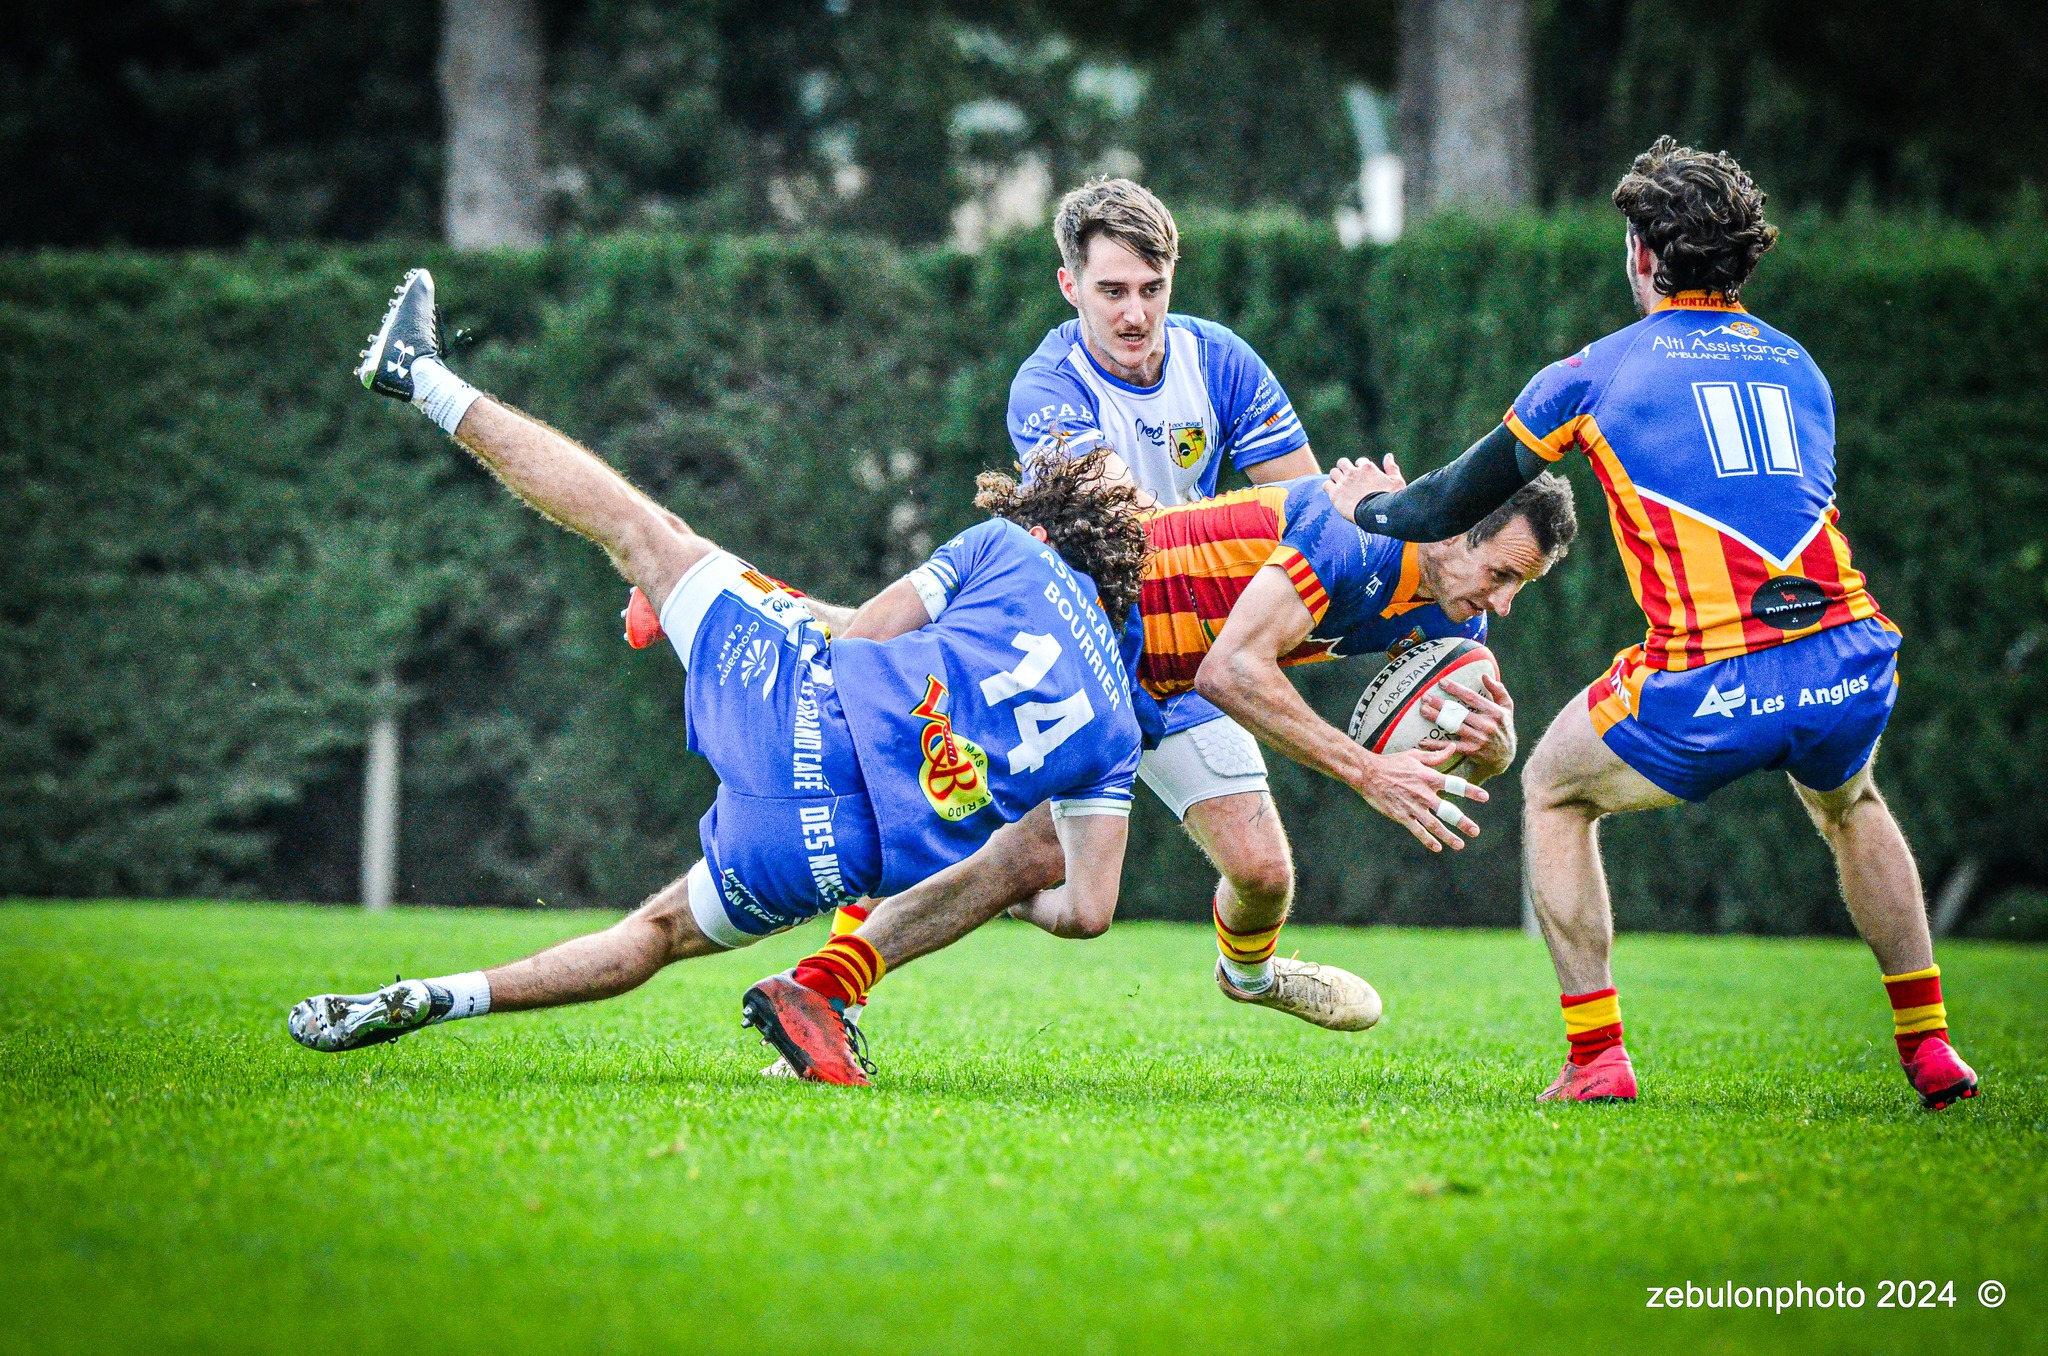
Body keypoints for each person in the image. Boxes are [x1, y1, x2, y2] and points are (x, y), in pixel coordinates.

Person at [287, 268, 1152, 1087]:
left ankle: (420, 375)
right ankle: (440, 999)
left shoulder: (1006, 548)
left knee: (644, 530)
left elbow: (862, 636)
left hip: (797, 716)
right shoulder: (1117, 731)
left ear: (1056, 511)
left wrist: (723, 600)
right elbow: (1084, 908)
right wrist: (992, 890)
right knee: (655, 934)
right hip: (823, 854)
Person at [1336, 137, 1979, 1110]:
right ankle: (1930, 1051)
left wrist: (1365, 510)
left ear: (1640, 252)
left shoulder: (1588, 375)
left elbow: (1439, 507)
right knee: (1850, 807)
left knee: (1552, 787)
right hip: (1846, 658)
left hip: (1710, 680)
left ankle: (1596, 1058)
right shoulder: (1796, 365)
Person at [754, 468, 1576, 1077]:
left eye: (1522, 587)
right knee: (1034, 863)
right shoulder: (1360, 533)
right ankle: (826, 980)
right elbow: (1235, 672)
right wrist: (1367, 773)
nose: (1503, 603)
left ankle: (1248, 976)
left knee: (1257, 875)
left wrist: (1496, 743)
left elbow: (1469, 736)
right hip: (1094, 637)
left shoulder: (1454, 612)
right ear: (1451, 525)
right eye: (1502, 575)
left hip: (1173, 691)